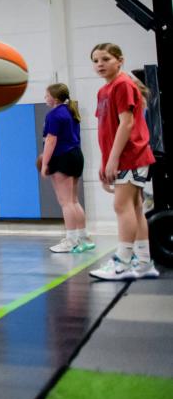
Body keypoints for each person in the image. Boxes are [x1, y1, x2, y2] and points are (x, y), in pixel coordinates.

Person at [87, 43, 159, 281]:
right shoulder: (104, 91)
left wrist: (114, 159)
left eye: (105, 59)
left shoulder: (123, 85)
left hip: (131, 155)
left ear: (120, 60)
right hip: (121, 156)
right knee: (135, 207)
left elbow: (126, 124)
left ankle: (122, 262)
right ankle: (143, 261)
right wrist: (104, 161)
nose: (100, 64)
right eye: (96, 60)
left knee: (122, 206)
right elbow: (107, 129)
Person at [40, 84, 93, 254]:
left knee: (66, 202)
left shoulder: (54, 114)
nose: (45, 98)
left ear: (55, 98)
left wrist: (44, 163)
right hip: (76, 155)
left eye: (47, 95)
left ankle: (70, 241)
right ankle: (83, 237)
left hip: (62, 157)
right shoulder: (70, 110)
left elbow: (51, 141)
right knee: (74, 200)